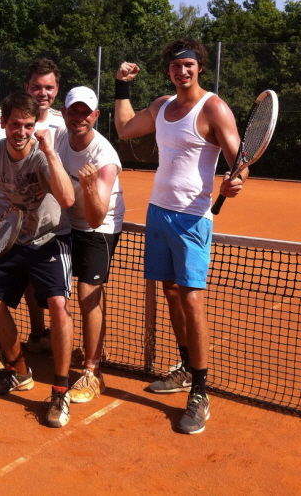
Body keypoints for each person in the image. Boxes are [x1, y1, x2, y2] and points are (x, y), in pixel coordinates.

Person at [113, 38, 246, 434]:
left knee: (191, 298)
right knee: (170, 291)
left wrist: (235, 180)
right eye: (175, 65)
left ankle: (200, 391)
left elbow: (240, 159)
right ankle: (186, 368)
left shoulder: (214, 108)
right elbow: (123, 129)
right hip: (158, 212)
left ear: (199, 67)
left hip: (193, 219)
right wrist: (121, 85)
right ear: (169, 70)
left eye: (188, 64)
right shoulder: (160, 107)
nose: (181, 70)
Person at [0, 91, 75, 428]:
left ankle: (60, 391)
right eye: (14, 125)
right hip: (15, 238)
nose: (21, 132)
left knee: (57, 304)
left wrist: (51, 150)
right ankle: (18, 371)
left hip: (51, 238)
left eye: (27, 125)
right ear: (4, 123)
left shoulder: (42, 155)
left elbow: (67, 198)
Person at [0, 58, 66, 363]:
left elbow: (66, 193)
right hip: (5, 224)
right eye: (37, 86)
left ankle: (45, 345)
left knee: (50, 298)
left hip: (48, 231)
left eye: (48, 86)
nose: (42, 91)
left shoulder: (61, 126)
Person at [53, 86, 125, 403]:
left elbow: (97, 219)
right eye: (74, 111)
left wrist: (89, 188)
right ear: (65, 113)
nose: (79, 117)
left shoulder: (105, 158)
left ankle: (93, 371)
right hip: (68, 222)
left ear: (95, 116)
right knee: (55, 287)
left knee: (87, 292)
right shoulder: (58, 139)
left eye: (86, 112)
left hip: (100, 226)